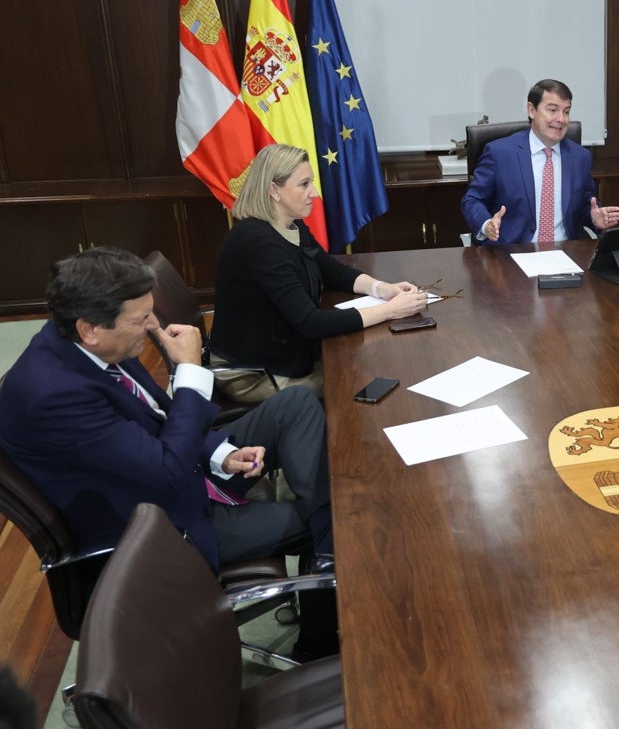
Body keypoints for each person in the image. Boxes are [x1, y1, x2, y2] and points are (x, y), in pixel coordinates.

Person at [0, 247, 338, 658]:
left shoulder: (82, 342)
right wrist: (191, 373)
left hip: (168, 470)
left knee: (296, 405)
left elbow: (157, 414)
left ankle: (326, 554)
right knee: (320, 518)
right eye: (140, 319)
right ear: (90, 328)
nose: (153, 326)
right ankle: (320, 639)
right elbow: (169, 473)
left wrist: (219, 453)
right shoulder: (54, 396)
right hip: (155, 525)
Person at [209, 143, 427, 402]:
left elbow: (332, 272)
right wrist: (390, 311)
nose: (313, 193)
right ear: (273, 191)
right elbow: (310, 323)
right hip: (253, 375)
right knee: (357, 380)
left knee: (368, 365)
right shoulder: (258, 244)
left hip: (286, 353)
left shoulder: (291, 225)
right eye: (304, 184)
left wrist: (382, 289)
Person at [460, 78, 619, 244]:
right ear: (532, 110)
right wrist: (487, 224)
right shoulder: (500, 153)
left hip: (566, 252)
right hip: (512, 252)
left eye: (566, 111)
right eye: (552, 110)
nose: (561, 119)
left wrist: (594, 219)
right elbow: (472, 200)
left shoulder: (580, 157)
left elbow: (587, 206)